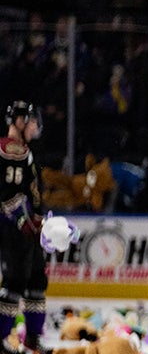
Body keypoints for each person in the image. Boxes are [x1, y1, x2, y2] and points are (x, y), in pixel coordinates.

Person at [0, 101, 47, 353]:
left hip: (30, 229)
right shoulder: (4, 150)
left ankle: (33, 339)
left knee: (38, 281)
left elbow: (33, 193)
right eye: (30, 120)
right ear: (18, 121)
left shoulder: (26, 152)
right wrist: (22, 220)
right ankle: (0, 339)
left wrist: (41, 221)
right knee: (15, 282)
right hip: (12, 229)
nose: (34, 125)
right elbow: (7, 194)